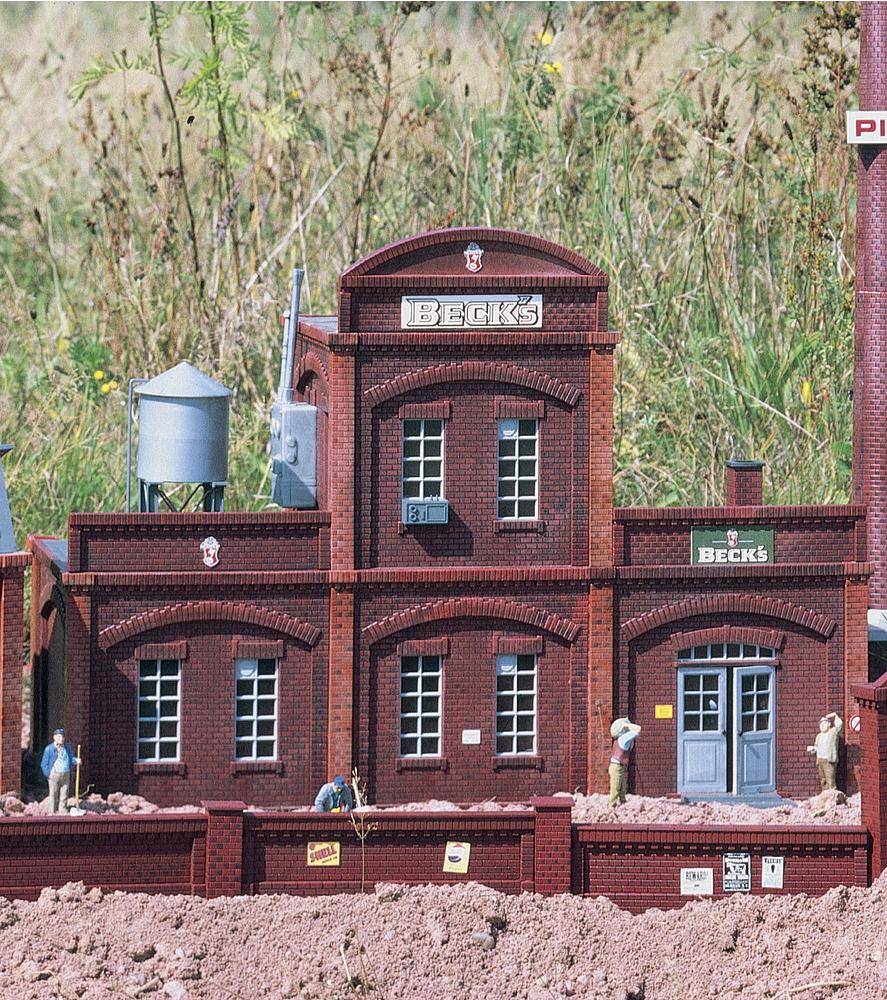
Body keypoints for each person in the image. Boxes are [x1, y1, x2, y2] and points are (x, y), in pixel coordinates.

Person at [40, 729, 80, 814]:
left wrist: (76, 760)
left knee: (64, 793)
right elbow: (44, 764)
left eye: (62, 737)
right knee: (53, 793)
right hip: (54, 774)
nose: (61, 739)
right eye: (59, 737)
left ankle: (62, 810)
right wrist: (48, 774)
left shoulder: (67, 747)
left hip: (65, 773)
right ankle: (52, 811)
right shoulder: (49, 749)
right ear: (54, 737)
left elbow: (70, 758)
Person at [608, 718, 641, 807]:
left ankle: (622, 802)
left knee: (622, 786)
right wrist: (626, 725)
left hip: (620, 766)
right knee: (615, 786)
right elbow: (638, 729)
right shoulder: (624, 738)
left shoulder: (622, 738)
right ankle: (612, 804)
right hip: (617, 766)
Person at [807, 712, 843, 791]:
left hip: (828, 760)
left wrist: (835, 716)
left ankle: (832, 795)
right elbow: (816, 747)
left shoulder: (833, 732)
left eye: (824, 724)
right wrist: (812, 749)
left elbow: (839, 725)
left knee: (830, 780)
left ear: (829, 724)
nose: (822, 726)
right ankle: (825, 794)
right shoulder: (819, 736)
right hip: (820, 760)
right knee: (823, 780)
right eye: (821, 724)